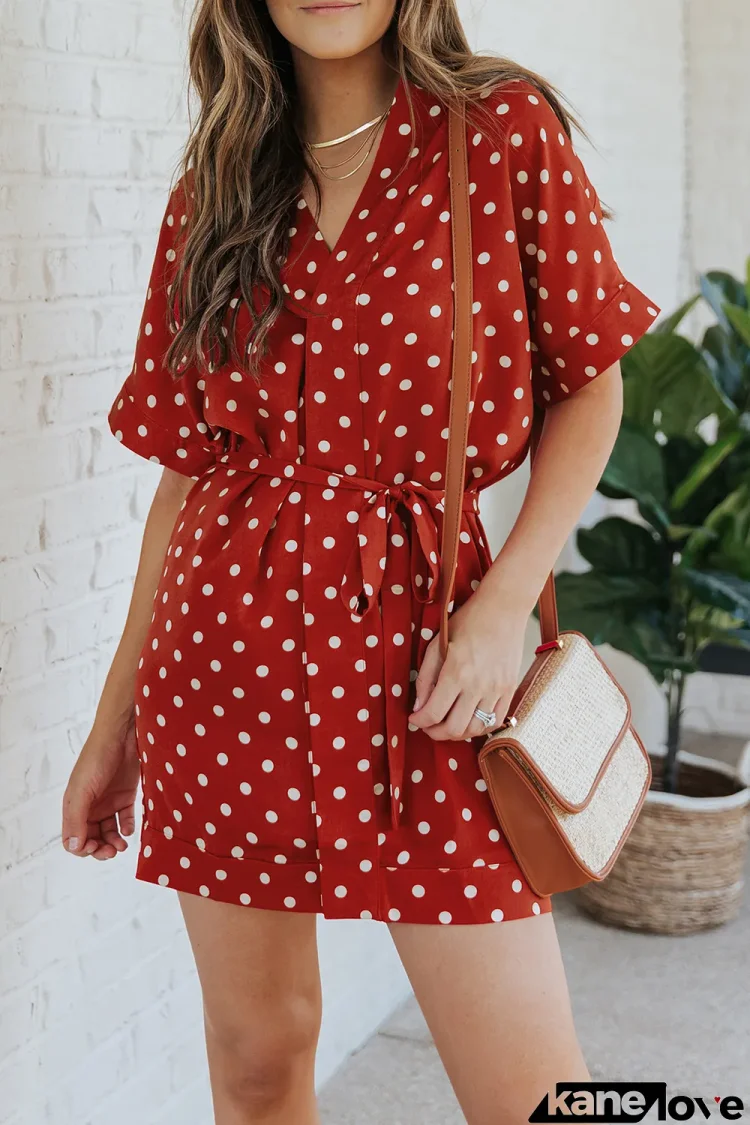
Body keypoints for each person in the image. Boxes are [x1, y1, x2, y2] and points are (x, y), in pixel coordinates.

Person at [62, 1, 659, 1122]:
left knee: (537, 1094)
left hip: (433, 668)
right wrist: (116, 727)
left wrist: (505, 601)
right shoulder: (218, 182)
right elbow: (185, 479)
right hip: (223, 669)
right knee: (257, 1062)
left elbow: (592, 381)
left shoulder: (500, 131)